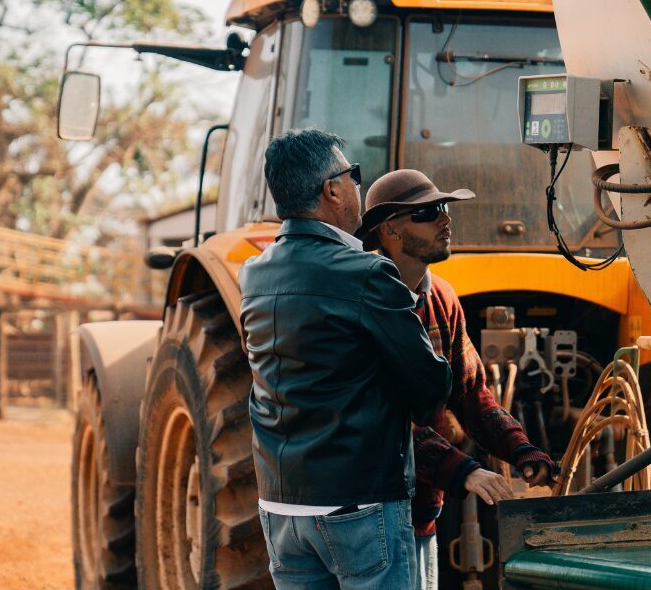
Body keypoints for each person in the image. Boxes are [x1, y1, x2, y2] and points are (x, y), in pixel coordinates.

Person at [239, 130, 454, 589]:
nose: (358, 185)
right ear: (332, 190)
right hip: (359, 505)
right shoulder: (368, 274)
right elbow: (430, 387)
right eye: (352, 174)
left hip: (280, 508)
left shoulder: (255, 273)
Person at [355, 169, 558, 590]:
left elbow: (471, 394)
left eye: (445, 208)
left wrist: (522, 451)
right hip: (371, 517)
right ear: (389, 229)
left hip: (423, 511)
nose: (445, 220)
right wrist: (464, 470)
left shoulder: (442, 297)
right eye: (429, 212)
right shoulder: (363, 304)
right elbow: (380, 421)